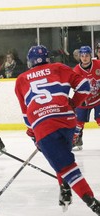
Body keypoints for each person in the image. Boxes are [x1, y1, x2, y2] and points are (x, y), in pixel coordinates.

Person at [15, 45, 100, 215]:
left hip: (43, 126)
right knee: (62, 156)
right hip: (67, 120)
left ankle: (93, 203)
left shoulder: (21, 79)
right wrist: (73, 103)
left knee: (66, 165)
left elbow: (26, 115)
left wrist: (34, 136)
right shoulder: (59, 67)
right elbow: (84, 87)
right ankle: (65, 189)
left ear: (29, 62)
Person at [72, 46, 100, 151]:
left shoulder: (98, 64)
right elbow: (75, 86)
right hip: (84, 101)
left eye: (87, 55)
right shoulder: (76, 70)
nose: (84, 58)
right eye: (82, 56)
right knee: (78, 122)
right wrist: (79, 99)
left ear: (90, 56)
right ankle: (76, 141)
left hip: (98, 99)